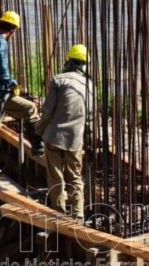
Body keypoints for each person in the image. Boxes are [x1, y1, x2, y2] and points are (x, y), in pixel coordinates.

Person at [0, 11, 43, 176]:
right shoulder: (1, 43)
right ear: (12, 29)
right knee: (31, 109)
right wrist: (11, 82)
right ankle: (38, 148)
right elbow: (0, 69)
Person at [35, 44, 94, 220]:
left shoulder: (59, 80)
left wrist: (38, 129)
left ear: (69, 61)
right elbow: (89, 115)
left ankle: (59, 212)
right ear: (84, 64)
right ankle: (78, 214)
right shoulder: (90, 85)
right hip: (75, 140)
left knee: (56, 177)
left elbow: (47, 111)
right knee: (75, 177)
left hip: (54, 137)